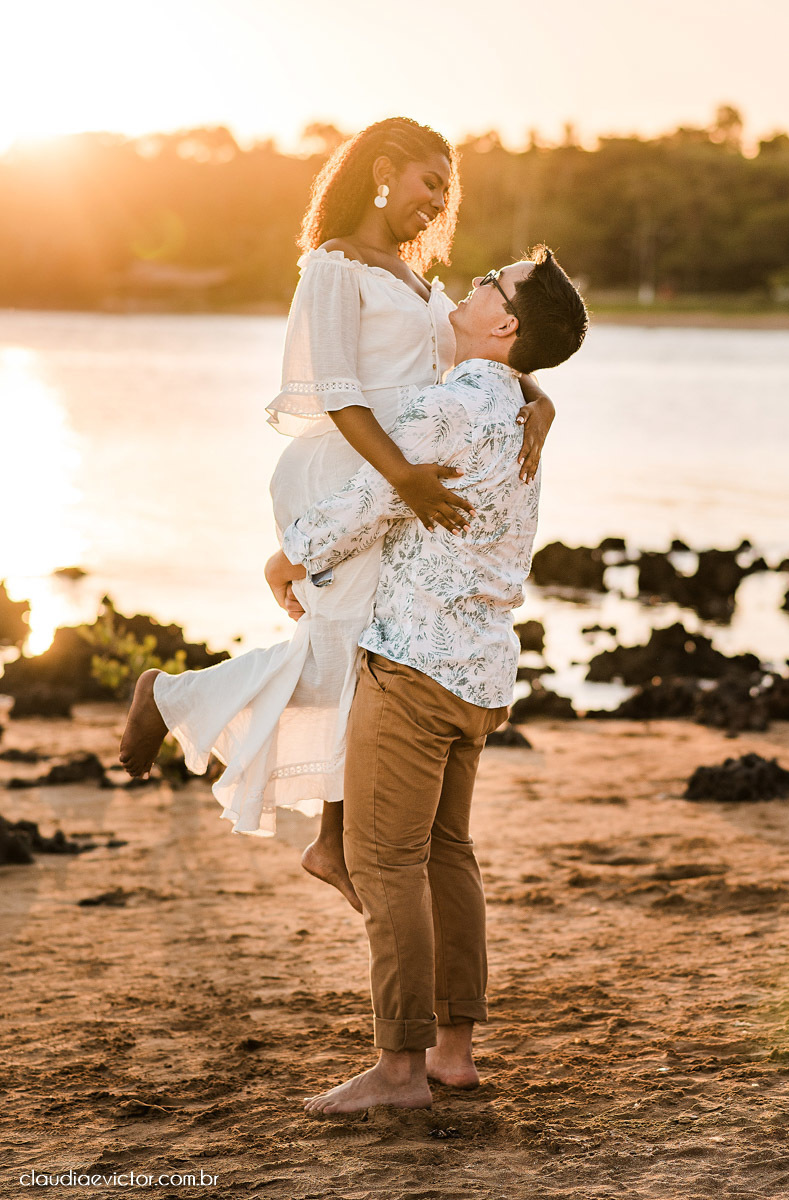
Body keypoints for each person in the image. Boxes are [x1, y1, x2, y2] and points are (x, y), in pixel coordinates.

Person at [119, 118, 555, 914]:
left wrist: (539, 395)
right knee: (348, 653)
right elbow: (339, 393)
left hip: (397, 473)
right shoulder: (333, 267)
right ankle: (172, 701)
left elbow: (479, 355)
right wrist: (406, 482)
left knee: (358, 654)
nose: (437, 205)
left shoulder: (417, 281)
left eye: (446, 194)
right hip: (347, 469)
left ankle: (327, 835)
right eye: (430, 185)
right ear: (384, 172)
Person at [270, 247, 588, 1114]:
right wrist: (538, 390)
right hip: (481, 671)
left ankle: (400, 1069)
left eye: (492, 281)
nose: (475, 284)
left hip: (412, 665)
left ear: (505, 324)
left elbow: (377, 493)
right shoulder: (515, 407)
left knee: (384, 862)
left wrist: (286, 555)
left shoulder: (455, 408)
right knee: (447, 854)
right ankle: (453, 1053)